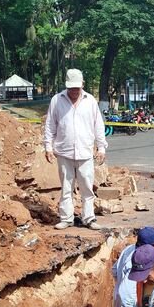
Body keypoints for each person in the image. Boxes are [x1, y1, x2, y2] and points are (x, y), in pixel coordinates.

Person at [43, 68, 107, 230]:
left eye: (76, 88)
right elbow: (50, 125)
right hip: (64, 152)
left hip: (85, 152)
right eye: (71, 88)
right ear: (66, 85)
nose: (73, 91)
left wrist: (101, 147)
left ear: (82, 85)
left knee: (87, 188)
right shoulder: (57, 100)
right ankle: (66, 218)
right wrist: (48, 146)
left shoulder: (90, 101)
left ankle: (89, 218)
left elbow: (98, 125)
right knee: (66, 188)